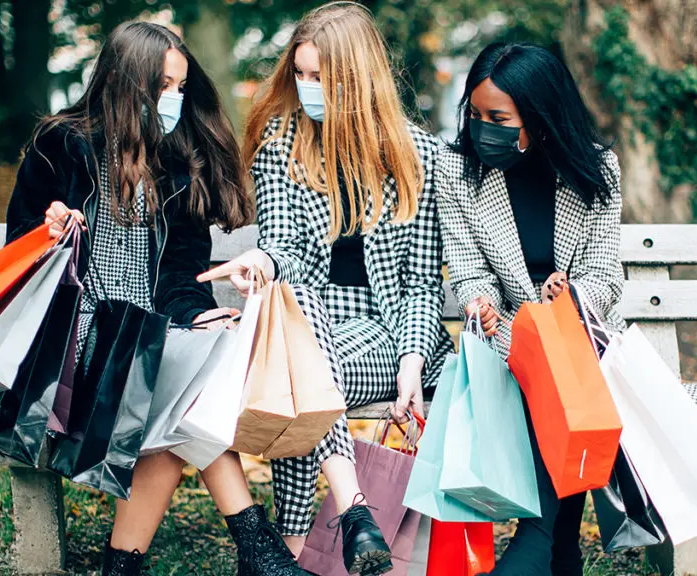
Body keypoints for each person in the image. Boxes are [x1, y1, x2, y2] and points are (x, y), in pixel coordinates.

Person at [4, 21, 311, 576]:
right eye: (162, 88)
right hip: (81, 343)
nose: (173, 101)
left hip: (149, 339)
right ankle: (257, 547)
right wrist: (50, 231)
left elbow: (180, 274)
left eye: (179, 88)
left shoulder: (174, 163)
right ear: (126, 85)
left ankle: (127, 565)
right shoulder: (64, 145)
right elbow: (19, 249)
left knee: (196, 369)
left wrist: (195, 314)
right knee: (176, 394)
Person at [198, 3, 453, 575]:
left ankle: (286, 552)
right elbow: (284, 249)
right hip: (312, 328)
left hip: (390, 338)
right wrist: (262, 260)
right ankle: (352, 512)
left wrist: (412, 362)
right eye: (301, 75)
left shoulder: (417, 156)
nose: (308, 88)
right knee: (305, 333)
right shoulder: (280, 148)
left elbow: (419, 283)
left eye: (322, 78)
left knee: (307, 368)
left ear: (358, 80)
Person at [434, 42, 624, 576]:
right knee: (540, 371)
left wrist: (573, 294)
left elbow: (607, 274)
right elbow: (469, 270)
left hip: (577, 334)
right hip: (507, 337)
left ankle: (541, 543)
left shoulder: (596, 170)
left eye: (498, 118)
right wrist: (481, 304)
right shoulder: (457, 171)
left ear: (539, 118)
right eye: (475, 115)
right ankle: (553, 549)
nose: (481, 128)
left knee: (561, 366)